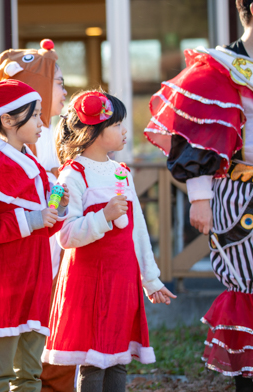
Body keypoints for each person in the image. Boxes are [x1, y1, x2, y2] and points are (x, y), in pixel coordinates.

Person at [145, 0, 253, 391]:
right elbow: (192, 134)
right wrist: (200, 197)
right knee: (247, 285)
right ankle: (246, 382)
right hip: (238, 194)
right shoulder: (220, 67)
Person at [45, 90, 175, 392]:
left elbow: (138, 228)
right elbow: (65, 235)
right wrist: (103, 217)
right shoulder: (71, 176)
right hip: (88, 282)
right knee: (93, 360)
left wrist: (150, 279)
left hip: (122, 278)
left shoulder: (121, 173)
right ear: (94, 131)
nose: (124, 131)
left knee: (118, 357)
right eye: (117, 125)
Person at [0, 39, 71, 392]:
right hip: (4, 283)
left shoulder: (34, 163)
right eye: (34, 115)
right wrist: (34, 219)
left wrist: (57, 210)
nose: (42, 123)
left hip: (35, 277)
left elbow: (43, 220)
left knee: (29, 375)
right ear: (8, 118)